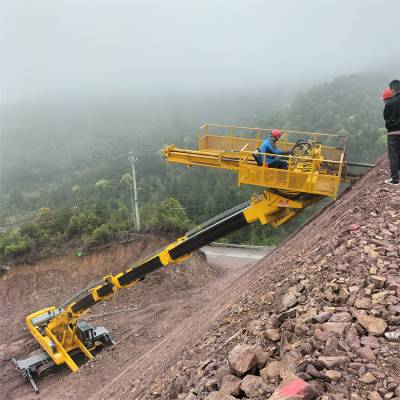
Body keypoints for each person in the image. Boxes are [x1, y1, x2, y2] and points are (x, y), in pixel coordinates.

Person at [383, 80, 400, 185]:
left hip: (393, 132)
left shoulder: (390, 103)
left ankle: (395, 178)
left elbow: (386, 117)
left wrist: (390, 125)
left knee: (393, 155)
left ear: (393, 90)